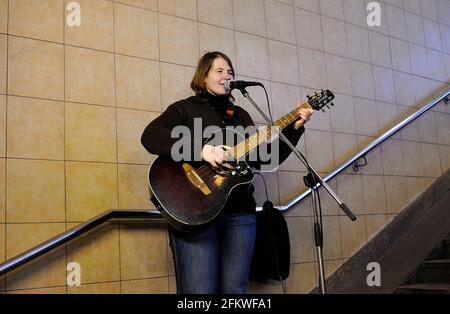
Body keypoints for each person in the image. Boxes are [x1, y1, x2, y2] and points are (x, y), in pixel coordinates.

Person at [141, 51, 313, 294]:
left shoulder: (241, 116)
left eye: (230, 72)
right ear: (203, 78)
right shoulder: (185, 110)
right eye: (219, 71)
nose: (226, 76)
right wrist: (202, 151)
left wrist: (294, 129)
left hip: (240, 215)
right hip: (195, 213)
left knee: (235, 291)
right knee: (199, 292)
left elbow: (264, 159)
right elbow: (150, 136)